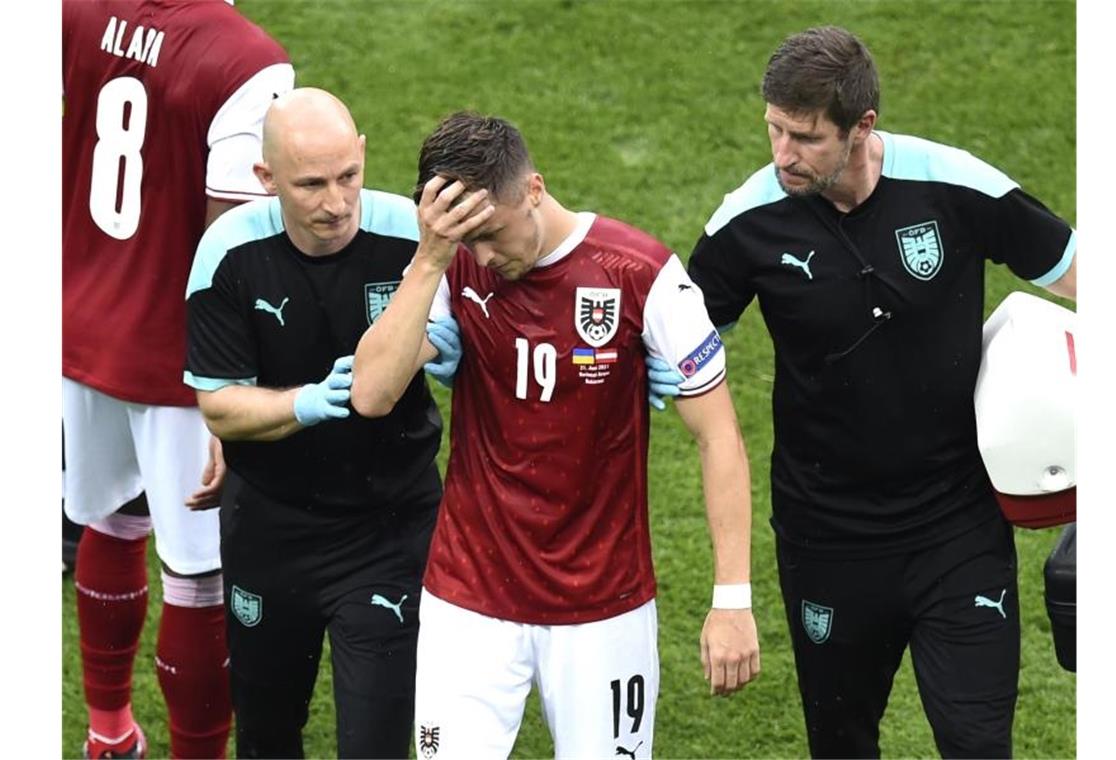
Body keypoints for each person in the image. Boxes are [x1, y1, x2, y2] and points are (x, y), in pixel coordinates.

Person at [686, 26, 1076, 759]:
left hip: (957, 530)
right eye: (772, 130)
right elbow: (673, 349)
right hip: (826, 539)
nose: (781, 156)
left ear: (862, 127)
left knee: (977, 743)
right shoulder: (746, 221)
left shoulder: (955, 185)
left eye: (803, 138)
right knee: (841, 747)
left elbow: (1082, 272)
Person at [352, 111, 761, 759]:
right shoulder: (454, 267)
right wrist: (432, 258)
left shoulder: (640, 275)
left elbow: (719, 439)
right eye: (467, 240)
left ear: (534, 190)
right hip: (469, 601)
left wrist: (732, 599)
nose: (484, 256)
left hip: (604, 609)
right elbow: (371, 393)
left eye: (491, 233)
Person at [183, 87, 463, 759]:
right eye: (310, 184)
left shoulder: (411, 237)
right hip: (270, 529)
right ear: (265, 178)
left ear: (363, 155)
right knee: (267, 735)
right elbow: (219, 405)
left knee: (378, 743)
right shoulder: (227, 252)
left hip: (389, 528)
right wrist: (303, 404)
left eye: (348, 176)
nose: (335, 202)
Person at [62, 1, 294, 756]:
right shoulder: (245, 59)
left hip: (84, 332)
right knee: (199, 577)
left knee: (111, 518)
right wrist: (237, 388)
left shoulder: (78, 10)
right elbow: (232, 244)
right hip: (182, 363)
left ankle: (108, 738)